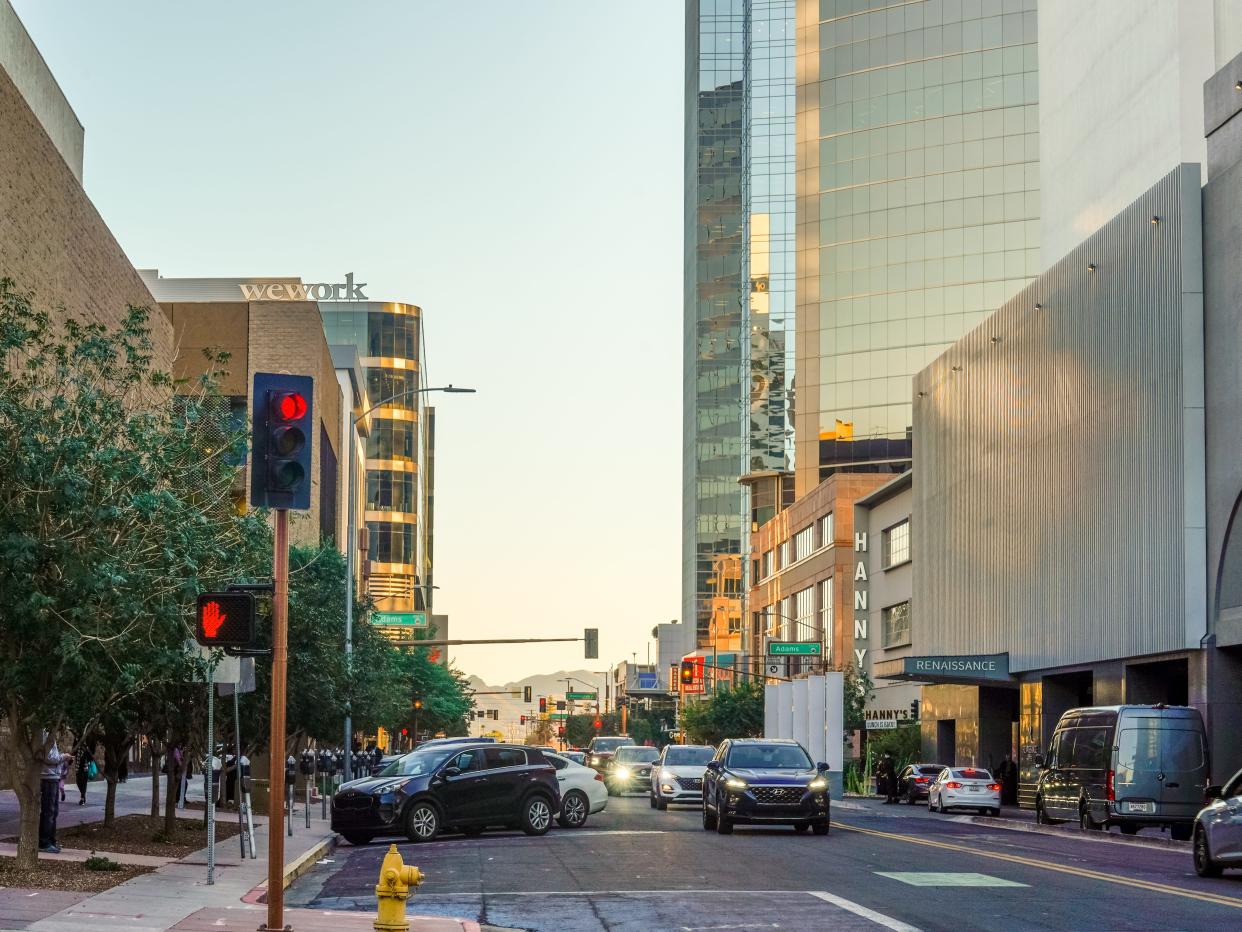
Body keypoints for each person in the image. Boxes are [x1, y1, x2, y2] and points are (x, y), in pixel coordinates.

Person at [38, 732, 63, 853]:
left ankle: (51, 840)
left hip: (53, 777)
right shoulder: (45, 733)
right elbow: (48, 756)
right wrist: (63, 757)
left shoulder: (50, 732)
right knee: (49, 811)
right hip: (48, 777)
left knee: (53, 811)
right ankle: (44, 842)